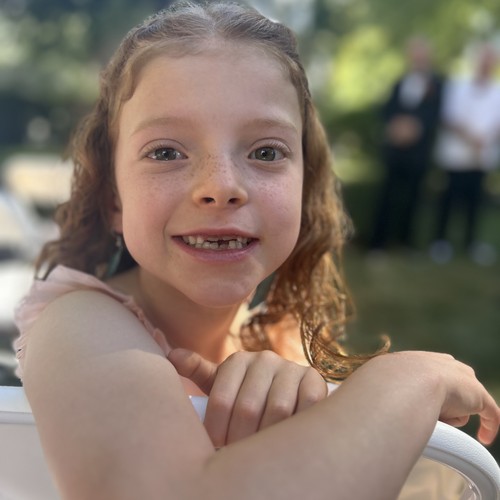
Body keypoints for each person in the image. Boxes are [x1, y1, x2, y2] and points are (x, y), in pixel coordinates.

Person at [13, 3, 498, 499]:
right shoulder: (77, 326)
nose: (220, 187)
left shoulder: (280, 347)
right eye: (165, 152)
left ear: (304, 189)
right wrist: (407, 383)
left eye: (265, 152)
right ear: (114, 200)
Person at [370, 37, 444, 251]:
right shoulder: (400, 82)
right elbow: (387, 110)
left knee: (414, 198)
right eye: (415, 55)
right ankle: (379, 241)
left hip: (419, 152)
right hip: (395, 150)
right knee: (387, 196)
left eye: (422, 55)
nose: (418, 59)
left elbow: (436, 114)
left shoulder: (438, 84)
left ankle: (405, 242)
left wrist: (415, 128)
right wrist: (397, 127)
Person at [431, 43, 500, 265]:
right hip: (455, 156)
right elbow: (447, 117)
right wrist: (470, 138)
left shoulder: (497, 91)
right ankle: (440, 241)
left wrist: (485, 140)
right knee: (449, 199)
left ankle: (470, 243)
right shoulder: (457, 86)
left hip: (482, 157)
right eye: (483, 60)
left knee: (475, 203)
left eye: (490, 61)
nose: (486, 65)